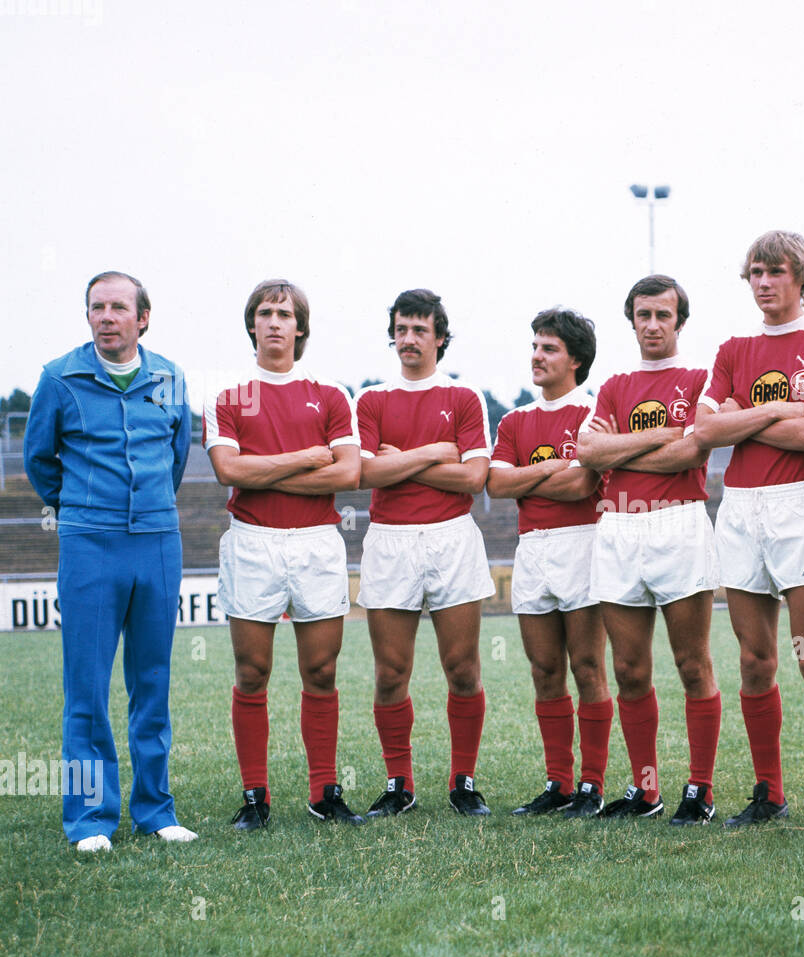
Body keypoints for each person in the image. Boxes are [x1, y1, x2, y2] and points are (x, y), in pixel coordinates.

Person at [24, 271, 196, 852]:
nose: (106, 317)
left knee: (152, 682)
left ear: (142, 318)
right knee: (86, 688)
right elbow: (40, 461)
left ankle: (156, 809)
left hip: (156, 542)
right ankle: (90, 819)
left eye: (118, 307)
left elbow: (175, 458)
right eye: (97, 307)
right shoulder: (58, 377)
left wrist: (145, 508)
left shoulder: (169, 377)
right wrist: (82, 508)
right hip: (89, 545)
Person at [693, 231, 804, 830]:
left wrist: (740, 419)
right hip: (739, 507)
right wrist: (776, 411)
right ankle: (769, 792)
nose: (764, 282)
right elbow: (704, 433)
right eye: (755, 272)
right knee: (755, 660)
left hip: (798, 506)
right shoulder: (734, 348)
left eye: (776, 272)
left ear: (801, 279)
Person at [203, 279, 363, 828]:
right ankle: (255, 797)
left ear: (301, 327)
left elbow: (347, 472)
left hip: (317, 542)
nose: (274, 321)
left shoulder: (332, 393)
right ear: (252, 324)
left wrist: (267, 472)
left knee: (320, 669)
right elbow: (228, 469)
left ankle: (324, 793)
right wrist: (306, 460)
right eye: (265, 313)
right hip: (252, 542)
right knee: (253, 671)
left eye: (285, 313)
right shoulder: (228, 394)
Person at [577, 276, 721, 824]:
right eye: (644, 315)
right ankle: (647, 789)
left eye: (664, 315)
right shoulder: (614, 385)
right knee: (630, 669)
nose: (653, 325)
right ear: (631, 321)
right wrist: (656, 438)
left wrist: (623, 452)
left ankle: (699, 791)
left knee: (691, 664)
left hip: (678, 524)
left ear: (679, 321)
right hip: (618, 529)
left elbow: (690, 452)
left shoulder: (698, 379)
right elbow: (588, 449)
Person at [355, 289, 496, 818]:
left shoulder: (463, 398)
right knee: (391, 673)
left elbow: (474, 475)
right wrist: (437, 452)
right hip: (390, 539)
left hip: (451, 536)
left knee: (462, 668)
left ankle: (463, 781)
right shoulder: (370, 400)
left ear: (439, 337)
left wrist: (404, 459)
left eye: (420, 329)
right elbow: (365, 472)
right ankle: (400, 784)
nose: (409, 338)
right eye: (401, 329)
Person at [488, 307, 613, 818]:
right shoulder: (515, 420)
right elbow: (496, 484)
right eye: (536, 346)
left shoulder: (593, 414)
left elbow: (584, 483)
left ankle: (592, 784)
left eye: (550, 348)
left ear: (576, 360)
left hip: (582, 541)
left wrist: (530, 473)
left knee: (587, 666)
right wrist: (557, 467)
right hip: (532, 546)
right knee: (544, 669)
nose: (537, 356)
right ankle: (558, 782)